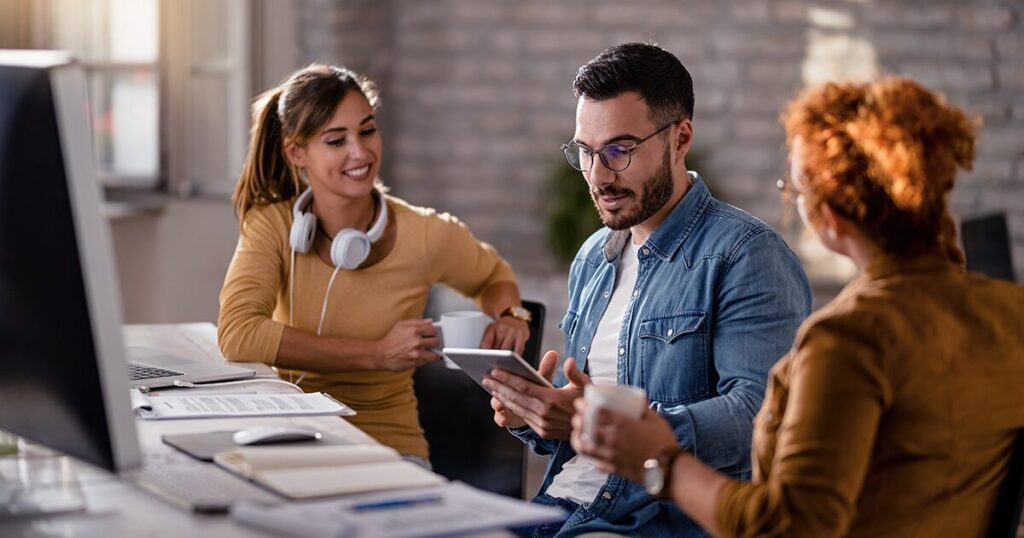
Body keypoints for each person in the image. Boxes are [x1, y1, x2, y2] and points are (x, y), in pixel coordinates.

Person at [571, 77, 1024, 537]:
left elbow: (789, 527)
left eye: (796, 189)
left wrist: (662, 461)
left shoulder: (850, 340)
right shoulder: (1012, 312)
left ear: (829, 215)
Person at [483, 43, 811, 537]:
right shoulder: (594, 256)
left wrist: (605, 421)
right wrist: (534, 416)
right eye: (586, 153)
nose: (598, 175)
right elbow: (582, 424)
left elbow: (761, 417)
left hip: (653, 521)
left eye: (619, 150)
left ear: (680, 139)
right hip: (560, 508)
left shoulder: (746, 254)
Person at [217, 64, 531, 465]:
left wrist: (511, 315)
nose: (360, 152)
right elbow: (239, 335)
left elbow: (492, 275)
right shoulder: (274, 224)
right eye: (336, 140)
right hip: (292, 436)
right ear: (297, 152)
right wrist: (375, 354)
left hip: (390, 445)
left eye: (367, 130)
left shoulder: (427, 234)